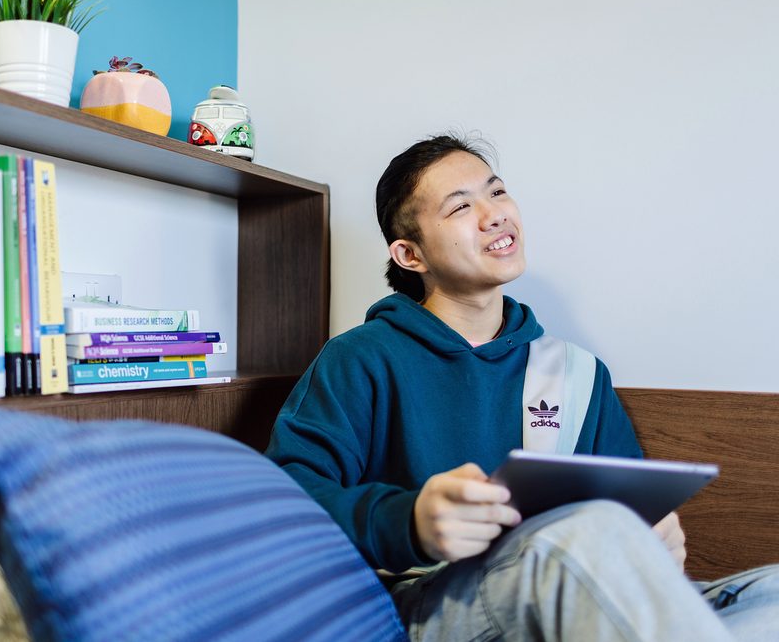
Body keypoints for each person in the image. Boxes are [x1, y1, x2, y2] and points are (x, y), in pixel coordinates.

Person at [265, 134, 777, 641]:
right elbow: (284, 502)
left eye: (497, 191)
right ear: (410, 254)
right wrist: (410, 522)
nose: (494, 215)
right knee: (579, 539)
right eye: (461, 206)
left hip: (573, 590)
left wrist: (655, 539)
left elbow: (627, 508)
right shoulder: (360, 358)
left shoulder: (578, 372)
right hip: (419, 604)